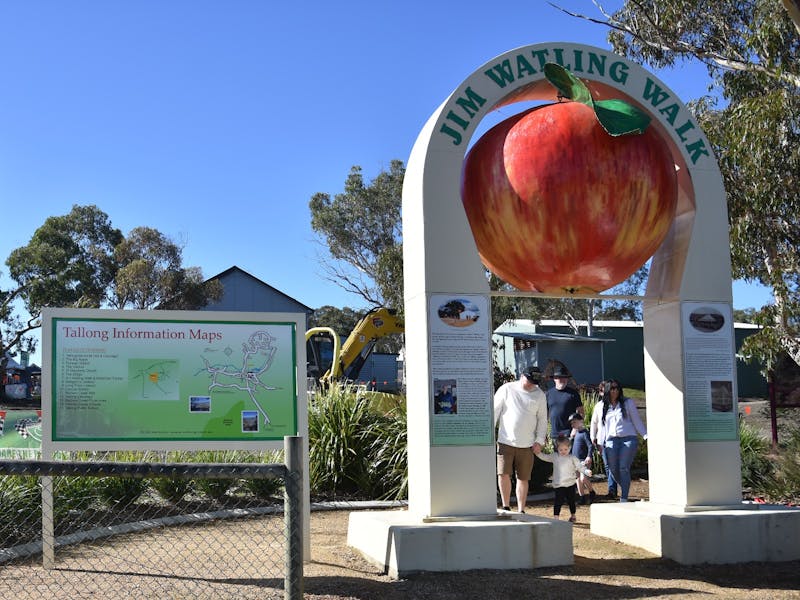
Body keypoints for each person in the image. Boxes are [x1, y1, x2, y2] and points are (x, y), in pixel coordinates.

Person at [494, 367, 548, 513]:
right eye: (529, 380)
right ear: (522, 376)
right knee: (503, 473)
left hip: (527, 444)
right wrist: (489, 435)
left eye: (534, 382)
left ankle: (521, 509)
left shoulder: (539, 395)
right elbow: (494, 411)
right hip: (505, 441)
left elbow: (542, 420)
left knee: (523, 477)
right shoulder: (507, 389)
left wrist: (539, 441)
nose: (531, 384)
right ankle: (505, 506)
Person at [601, 379, 647, 502]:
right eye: (612, 388)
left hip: (628, 439)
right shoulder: (603, 406)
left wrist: (645, 435)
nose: (615, 390)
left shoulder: (628, 402)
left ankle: (624, 497)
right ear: (607, 390)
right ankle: (625, 486)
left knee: (623, 468)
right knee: (612, 469)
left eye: (617, 388)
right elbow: (602, 426)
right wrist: (600, 441)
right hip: (611, 441)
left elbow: (636, 420)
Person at [535, 434, 592, 523]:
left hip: (570, 484)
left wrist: (586, 471)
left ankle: (573, 516)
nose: (563, 451)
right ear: (557, 449)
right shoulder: (555, 456)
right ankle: (556, 518)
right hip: (559, 485)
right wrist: (537, 452)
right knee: (558, 501)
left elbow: (580, 467)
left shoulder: (572, 458)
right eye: (561, 449)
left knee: (571, 501)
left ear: (569, 448)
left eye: (565, 449)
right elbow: (544, 457)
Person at [590, 380, 618, 499]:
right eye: (601, 390)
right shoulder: (599, 406)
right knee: (608, 466)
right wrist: (593, 437)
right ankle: (612, 489)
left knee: (614, 465)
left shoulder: (617, 405)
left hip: (616, 439)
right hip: (603, 440)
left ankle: (613, 488)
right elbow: (594, 422)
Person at [546, 365, 583, 441]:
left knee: (571, 453)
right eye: (560, 377)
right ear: (554, 379)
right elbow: (545, 415)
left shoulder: (573, 394)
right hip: (555, 435)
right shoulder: (548, 394)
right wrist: (544, 433)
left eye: (565, 377)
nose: (563, 379)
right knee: (556, 453)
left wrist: (575, 429)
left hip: (570, 433)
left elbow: (581, 413)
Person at [569, 412, 595, 504]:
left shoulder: (585, 433)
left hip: (584, 460)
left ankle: (592, 492)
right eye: (572, 423)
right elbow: (571, 446)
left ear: (581, 421)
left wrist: (589, 456)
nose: (573, 424)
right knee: (578, 479)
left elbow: (590, 446)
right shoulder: (576, 434)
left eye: (575, 422)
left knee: (583, 479)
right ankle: (582, 497)